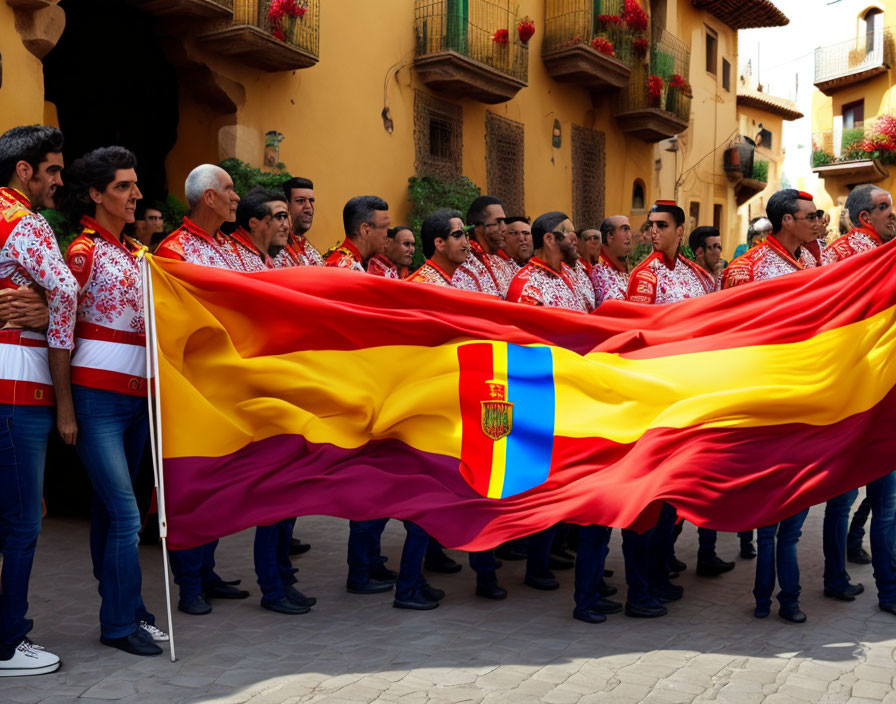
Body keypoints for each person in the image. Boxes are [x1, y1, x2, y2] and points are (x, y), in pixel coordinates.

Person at [60, 146, 167, 656]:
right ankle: (119, 623)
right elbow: (57, 324)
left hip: (136, 401)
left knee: (114, 514)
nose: (136, 195)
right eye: (123, 187)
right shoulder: (82, 252)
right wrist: (64, 406)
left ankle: (129, 609)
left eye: (134, 184)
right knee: (126, 516)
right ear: (96, 194)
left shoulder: (135, 252)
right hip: (97, 401)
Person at [722, 189, 822, 623]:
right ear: (786, 220)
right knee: (770, 519)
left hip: (804, 397)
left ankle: (790, 597)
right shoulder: (747, 268)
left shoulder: (816, 263)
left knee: (795, 518)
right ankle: (766, 597)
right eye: (810, 215)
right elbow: (733, 336)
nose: (818, 220)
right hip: (764, 402)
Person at [0, 125, 78, 677]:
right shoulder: (25, 221)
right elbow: (70, 289)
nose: (59, 180)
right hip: (18, 385)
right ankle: (9, 642)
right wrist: (54, 306)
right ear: (23, 170)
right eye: (52, 169)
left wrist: (44, 304)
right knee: (23, 522)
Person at [155, 164, 249, 615]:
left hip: (226, 381)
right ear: (208, 197)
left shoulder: (227, 248)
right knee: (190, 485)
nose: (237, 197)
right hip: (191, 383)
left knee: (219, 482)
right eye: (229, 190)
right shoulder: (174, 249)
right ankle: (188, 583)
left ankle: (207, 573)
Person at [822, 184, 896, 616]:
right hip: (859, 395)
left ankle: (860, 581)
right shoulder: (853, 255)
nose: (893, 214)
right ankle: (877, 586)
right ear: (865, 217)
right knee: (862, 500)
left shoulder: (882, 252)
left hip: (873, 393)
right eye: (885, 208)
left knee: (865, 500)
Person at [505, 212, 587, 312]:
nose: (575, 238)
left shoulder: (569, 273)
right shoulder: (527, 287)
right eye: (568, 231)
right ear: (549, 239)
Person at [463, 196, 513, 297]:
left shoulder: (503, 262)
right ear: (478, 227)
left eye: (504, 222)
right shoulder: (464, 262)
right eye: (498, 222)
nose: (504, 228)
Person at [325, 196, 390, 271]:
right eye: (385, 227)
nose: (389, 234)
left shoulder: (360, 261)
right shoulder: (343, 267)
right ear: (365, 230)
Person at [273, 177, 324, 269]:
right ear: (285, 205)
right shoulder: (274, 249)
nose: (308, 208)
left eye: (311, 201)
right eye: (300, 201)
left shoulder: (311, 251)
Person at [228, 186, 282, 272]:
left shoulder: (266, 255)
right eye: (269, 222)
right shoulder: (231, 254)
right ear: (253, 224)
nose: (283, 226)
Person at [591, 216, 632, 304]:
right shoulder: (599, 271)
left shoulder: (620, 265)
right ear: (610, 236)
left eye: (629, 230)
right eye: (625, 229)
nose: (629, 236)